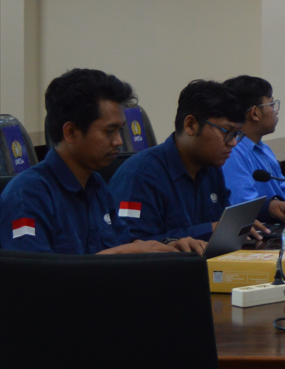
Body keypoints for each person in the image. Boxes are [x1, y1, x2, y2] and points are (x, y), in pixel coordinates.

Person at [0, 69, 204, 254]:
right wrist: (117, 255)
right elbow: (33, 277)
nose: (119, 141)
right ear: (71, 132)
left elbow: (127, 244)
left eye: (119, 130)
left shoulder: (97, 185)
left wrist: (168, 245)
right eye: (109, 131)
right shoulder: (27, 195)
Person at [107, 79, 255, 244]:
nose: (233, 142)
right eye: (227, 132)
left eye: (236, 134)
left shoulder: (211, 167)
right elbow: (130, 245)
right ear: (190, 125)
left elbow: (220, 226)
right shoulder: (140, 175)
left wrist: (236, 228)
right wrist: (208, 230)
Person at [221, 75, 285, 223]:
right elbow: (246, 208)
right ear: (255, 113)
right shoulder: (232, 153)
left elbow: (283, 192)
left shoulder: (264, 149)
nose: (276, 111)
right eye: (272, 104)